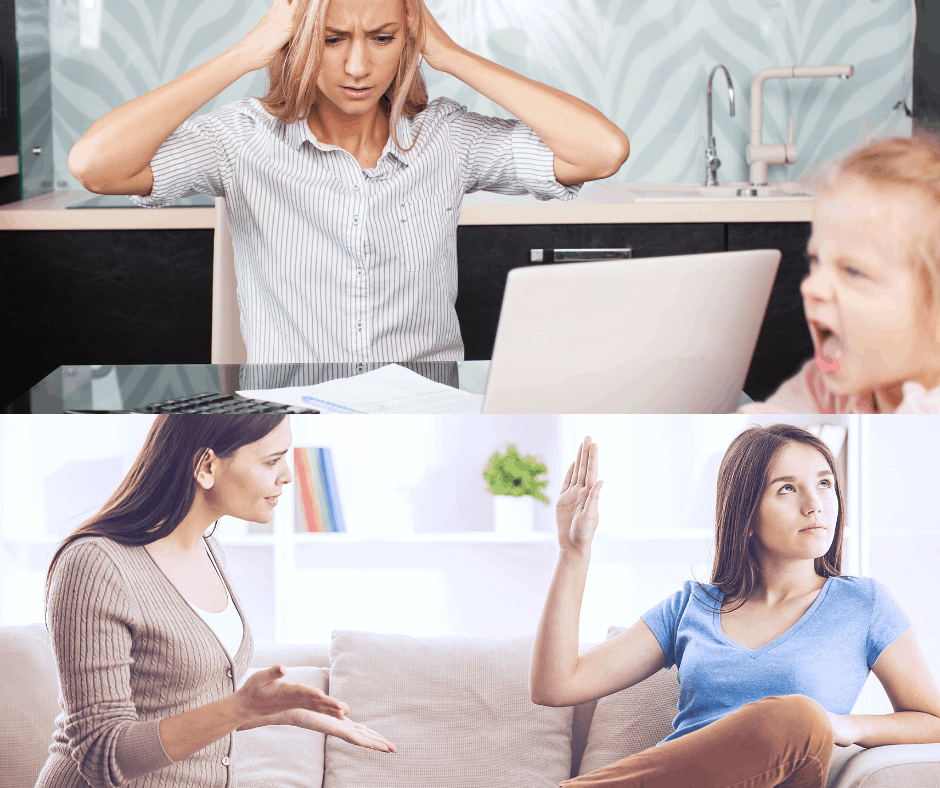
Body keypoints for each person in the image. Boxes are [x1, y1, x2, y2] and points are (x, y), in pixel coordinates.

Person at [68, 0, 630, 364]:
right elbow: (96, 164)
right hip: (295, 409)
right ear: (300, 42)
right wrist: (245, 53)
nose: (358, 67)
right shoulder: (242, 139)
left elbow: (602, 151)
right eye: (333, 40)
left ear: (406, 42)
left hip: (426, 403)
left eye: (382, 39)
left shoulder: (447, 137)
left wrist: (450, 54)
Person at [531, 428, 940, 788]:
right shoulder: (690, 607)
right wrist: (573, 551)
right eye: (787, 488)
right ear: (745, 514)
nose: (815, 505)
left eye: (825, 484)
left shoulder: (864, 604)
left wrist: (844, 725)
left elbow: (933, 720)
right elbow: (557, 686)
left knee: (798, 717)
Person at [36, 414, 395, 788]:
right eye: (272, 461)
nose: (287, 475)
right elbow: (102, 754)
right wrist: (241, 706)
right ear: (206, 466)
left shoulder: (209, 550)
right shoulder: (96, 563)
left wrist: (281, 711)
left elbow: (180, 708)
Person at [742, 136, 940, 414]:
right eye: (815, 260)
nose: (811, 286)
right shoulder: (822, 387)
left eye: (853, 270)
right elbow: (758, 428)